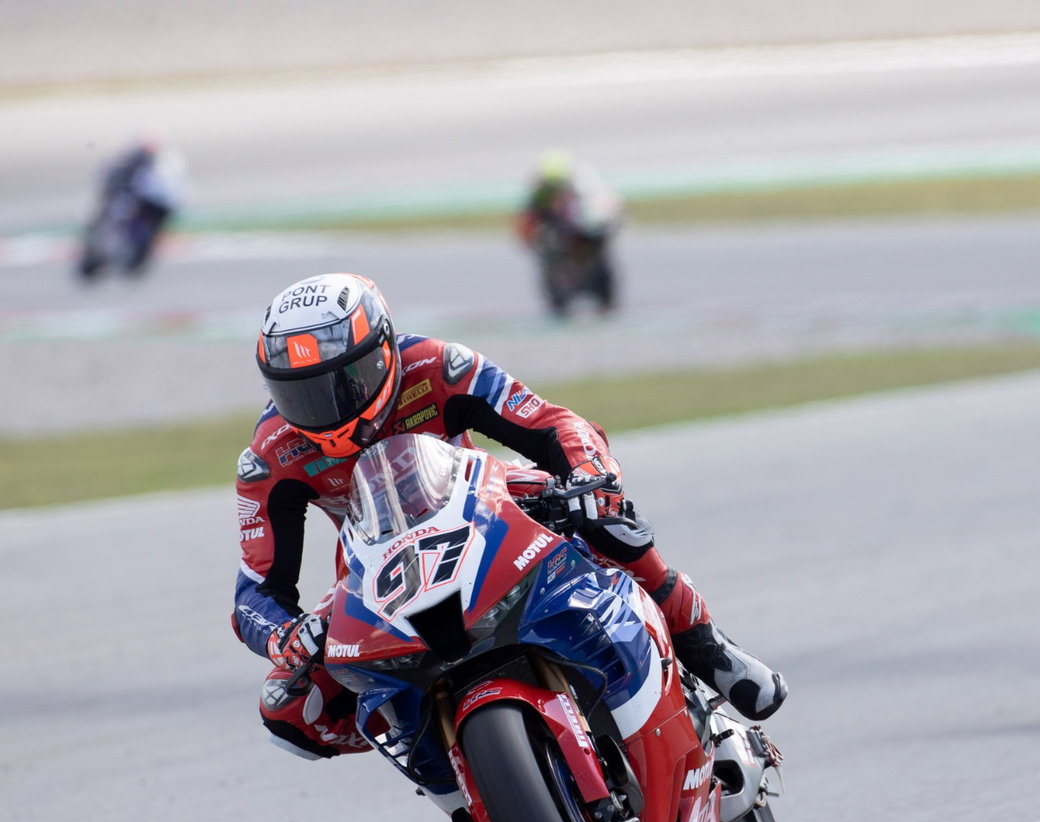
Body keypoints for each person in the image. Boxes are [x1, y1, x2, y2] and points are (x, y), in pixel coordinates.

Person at [232, 272, 785, 759]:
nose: (325, 407)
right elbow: (254, 593)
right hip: (377, 563)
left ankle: (702, 644)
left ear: (382, 352)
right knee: (286, 707)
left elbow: (551, 423)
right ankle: (440, 764)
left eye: (340, 381)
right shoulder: (271, 455)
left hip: (483, 504)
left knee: (600, 515)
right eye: (300, 394)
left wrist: (592, 475)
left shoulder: (435, 364)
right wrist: (287, 635)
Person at [515, 149, 623, 316]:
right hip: (559, 246)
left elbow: (611, 213)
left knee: (601, 272)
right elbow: (527, 223)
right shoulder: (540, 194)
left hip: (588, 237)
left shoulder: (587, 186)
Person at [79, 133, 186, 279]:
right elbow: (108, 179)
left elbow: (173, 187)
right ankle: (101, 248)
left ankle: (127, 252)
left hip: (149, 204)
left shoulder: (166, 162)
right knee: (106, 215)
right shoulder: (126, 161)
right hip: (128, 199)